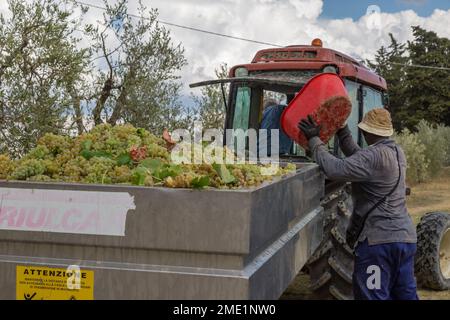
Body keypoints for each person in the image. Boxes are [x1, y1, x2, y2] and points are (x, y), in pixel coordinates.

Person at [298, 108, 418, 300]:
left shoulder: (370, 158)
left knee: (373, 296)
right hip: (405, 241)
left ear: (367, 132)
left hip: (378, 246)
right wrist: (342, 130)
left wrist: (314, 140)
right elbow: (359, 156)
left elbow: (334, 169)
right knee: (404, 295)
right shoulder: (396, 152)